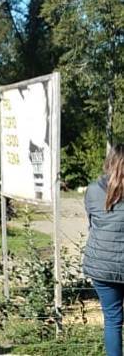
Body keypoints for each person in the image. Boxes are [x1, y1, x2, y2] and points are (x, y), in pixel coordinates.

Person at [83, 144, 124, 356]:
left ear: (109, 163)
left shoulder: (92, 190)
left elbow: (92, 223)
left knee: (113, 321)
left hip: (102, 266)